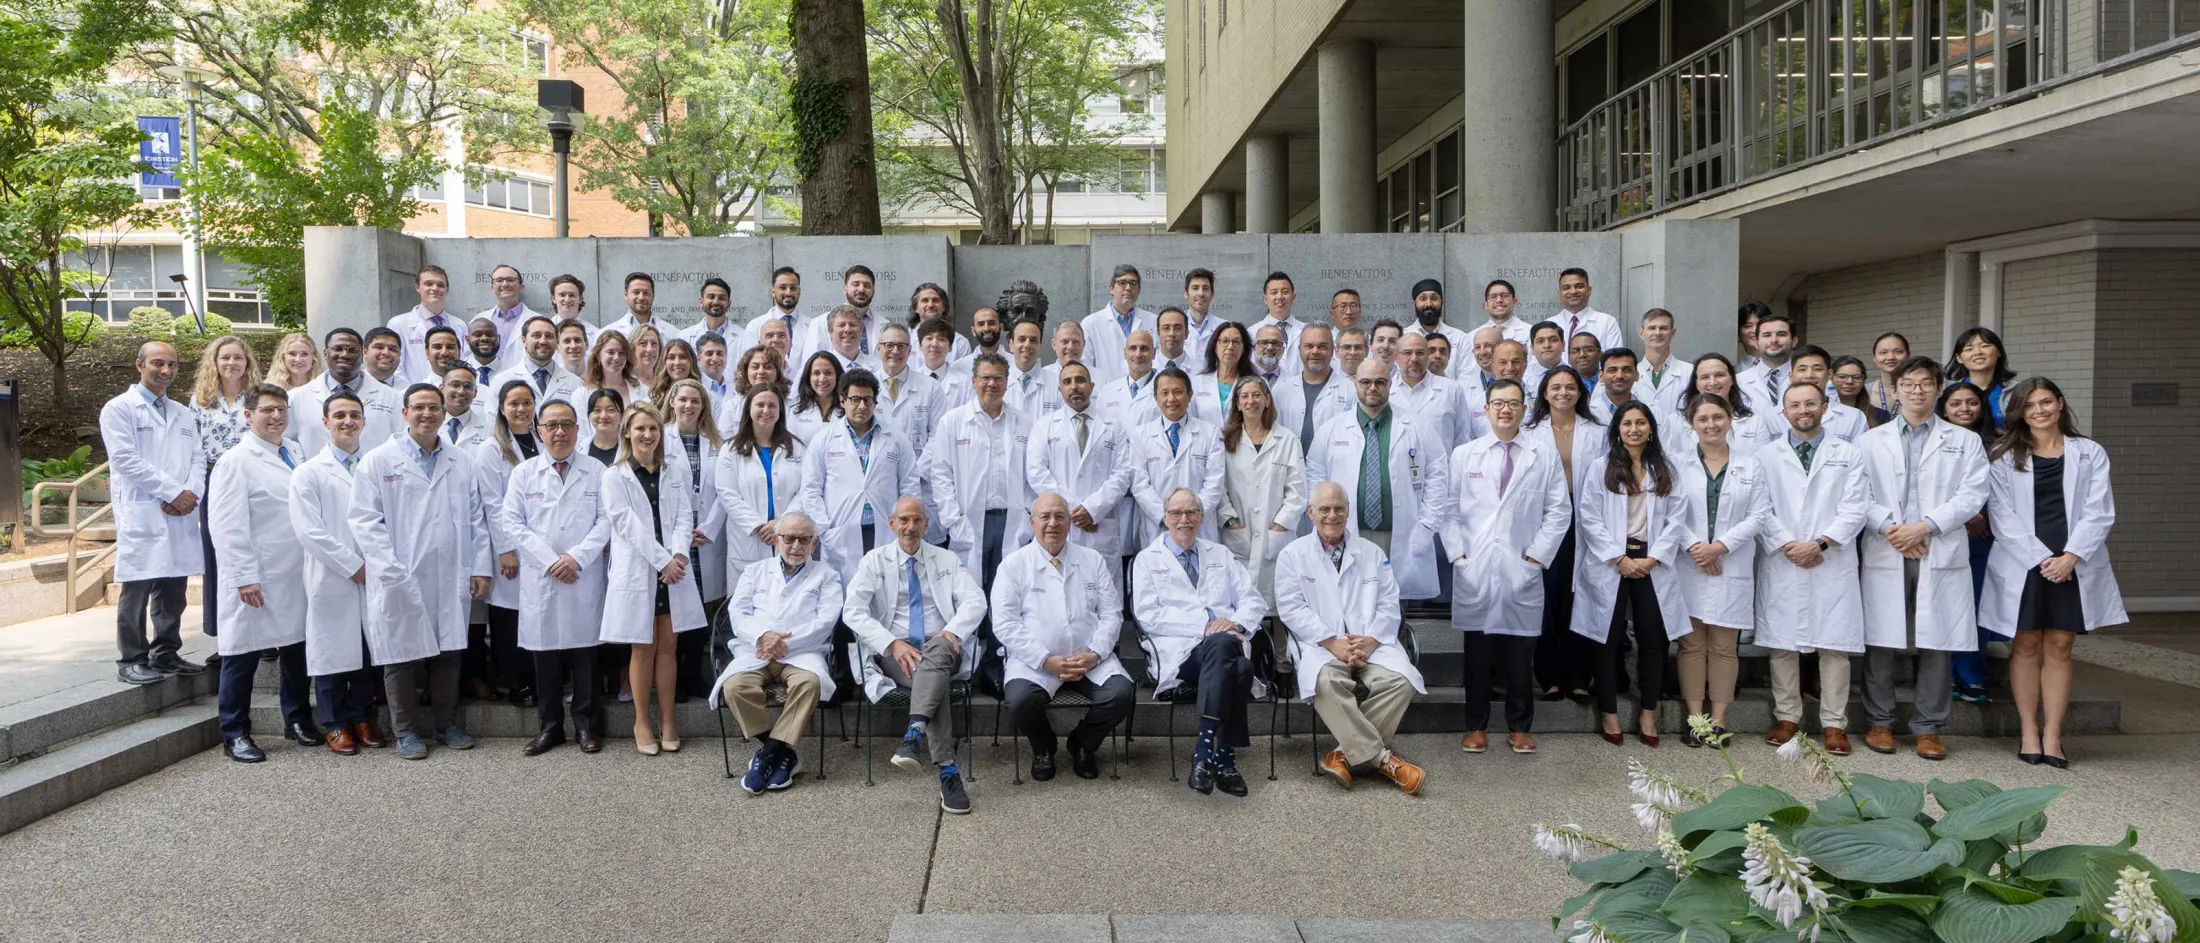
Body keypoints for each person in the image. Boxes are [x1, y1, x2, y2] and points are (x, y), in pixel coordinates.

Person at [1982, 378, 2126, 769]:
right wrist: (2042, 558)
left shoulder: (2089, 452)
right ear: (2019, 413)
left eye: (2046, 402)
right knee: (2026, 645)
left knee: (2061, 645)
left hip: (2073, 561)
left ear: (2060, 404)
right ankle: (2029, 732)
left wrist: (2070, 557)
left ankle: (2053, 736)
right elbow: (2001, 515)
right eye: (2030, 406)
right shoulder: (2002, 455)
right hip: (2024, 560)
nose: (2039, 411)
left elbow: (2100, 510)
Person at [1855, 356, 1988, 760]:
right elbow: (1856, 493)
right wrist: (1892, 530)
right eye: (1908, 384)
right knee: (1881, 639)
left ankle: (1929, 727)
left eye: (1926, 383)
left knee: (1937, 640)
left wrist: (1925, 527)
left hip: (1936, 546)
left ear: (1938, 389)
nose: (1917, 390)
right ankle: (1879, 722)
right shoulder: (1870, 440)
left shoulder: (1965, 440)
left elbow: (1972, 494)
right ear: (1895, 390)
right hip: (1888, 546)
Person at [350, 383, 493, 760]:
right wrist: (389, 569)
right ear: (405, 413)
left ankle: (447, 725)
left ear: (444, 413)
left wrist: (480, 567)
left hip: (450, 572)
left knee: (449, 652)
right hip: (399, 575)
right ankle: (407, 732)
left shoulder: (460, 461)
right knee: (400, 656)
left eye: (434, 407)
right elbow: (364, 521)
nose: (426, 414)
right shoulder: (379, 461)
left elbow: (477, 519)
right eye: (419, 407)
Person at [1440, 379, 1570, 754]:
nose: (1505, 410)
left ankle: (1519, 726)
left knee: (1520, 653)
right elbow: (1448, 511)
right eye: (1498, 403)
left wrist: (1535, 557)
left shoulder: (1542, 454)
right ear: (1486, 409)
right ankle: (1475, 725)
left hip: (1522, 565)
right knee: (1477, 654)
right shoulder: (1465, 455)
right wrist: (1459, 557)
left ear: (1524, 410)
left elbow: (1559, 511)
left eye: (1513, 403)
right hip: (1476, 567)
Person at [1274, 482, 1425, 794]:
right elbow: (1291, 608)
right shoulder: (1292, 555)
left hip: (1370, 644)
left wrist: (1370, 640)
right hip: (1321, 645)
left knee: (1401, 680)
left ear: (1348, 511)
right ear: (1310, 513)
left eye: (1338, 508)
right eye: (1324, 509)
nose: (1332, 515)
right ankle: (1382, 759)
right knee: (1325, 681)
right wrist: (1332, 642)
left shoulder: (1372, 553)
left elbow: (1388, 603)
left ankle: (1343, 753)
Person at [843, 497, 985, 812]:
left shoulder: (946, 559)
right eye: (904, 520)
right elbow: (852, 611)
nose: (910, 527)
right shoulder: (874, 561)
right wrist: (891, 643)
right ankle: (947, 769)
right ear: (892, 523)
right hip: (897, 652)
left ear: (926, 524)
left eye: (916, 520)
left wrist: (952, 631)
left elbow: (975, 600)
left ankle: (914, 734)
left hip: (943, 644)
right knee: (933, 680)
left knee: (936, 654)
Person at [1755, 379, 1868, 753]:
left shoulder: (1848, 453)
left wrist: (1820, 543)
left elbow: (1856, 507)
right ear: (1784, 412)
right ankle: (1787, 717)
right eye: (1795, 405)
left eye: (1810, 403)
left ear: (1824, 407)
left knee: (1834, 645)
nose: (1803, 410)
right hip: (1783, 557)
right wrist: (1789, 545)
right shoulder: (1766, 456)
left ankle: (1834, 724)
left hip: (1829, 558)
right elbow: (1760, 507)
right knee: (1782, 644)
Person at [1133, 488, 1267, 796]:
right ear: (1165, 517)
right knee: (1241, 668)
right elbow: (1147, 615)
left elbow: (1252, 599)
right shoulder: (1147, 560)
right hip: (1180, 655)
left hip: (1224, 645)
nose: (1184, 519)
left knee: (1227, 652)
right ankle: (1223, 758)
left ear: (1202, 517)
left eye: (1191, 512)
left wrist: (1234, 623)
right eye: (1177, 513)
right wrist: (1205, 628)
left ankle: (1205, 755)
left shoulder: (1220, 554)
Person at [1572, 400, 1690, 747]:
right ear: (1617, 430)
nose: (1634, 429)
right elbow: (1589, 516)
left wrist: (1654, 558)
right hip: (1612, 561)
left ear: (1651, 429)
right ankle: (1608, 710)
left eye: (1640, 423)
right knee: (1606, 639)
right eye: (1627, 423)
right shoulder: (1601, 467)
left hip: (1652, 562)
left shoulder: (1666, 468)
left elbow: (1676, 518)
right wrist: (1617, 557)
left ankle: (1648, 712)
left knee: (1653, 639)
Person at [209, 384, 318, 761]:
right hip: (258, 573)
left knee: (296, 649)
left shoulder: (294, 451)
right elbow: (226, 525)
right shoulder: (235, 461)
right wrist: (243, 575)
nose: (276, 416)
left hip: (295, 569)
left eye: (282, 409)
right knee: (242, 654)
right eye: (267, 410)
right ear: (248, 415)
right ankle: (235, 732)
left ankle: (297, 719)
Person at [993, 493, 1133, 782]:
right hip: (1037, 662)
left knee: (1121, 694)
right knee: (1019, 701)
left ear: (1070, 523)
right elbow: (1005, 624)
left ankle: (1082, 744)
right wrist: (1045, 660)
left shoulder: (1092, 560)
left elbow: (1112, 614)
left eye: (1060, 516)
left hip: (1089, 659)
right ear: (1032, 522)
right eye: (1045, 517)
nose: (1052, 523)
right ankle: (1044, 748)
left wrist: (1095, 654)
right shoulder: (1013, 565)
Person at [501, 399, 610, 756]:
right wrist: (550, 561)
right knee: (544, 657)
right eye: (552, 425)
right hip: (542, 576)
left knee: (585, 657)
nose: (560, 432)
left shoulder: (597, 471)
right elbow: (512, 522)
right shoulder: (524, 473)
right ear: (539, 431)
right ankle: (550, 727)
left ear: (578, 430)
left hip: (582, 575)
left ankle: (587, 726)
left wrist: (576, 558)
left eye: (567, 425)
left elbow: (607, 521)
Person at [600, 403, 707, 754]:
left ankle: (668, 721)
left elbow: (683, 518)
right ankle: (642, 722)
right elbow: (626, 524)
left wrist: (678, 555)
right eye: (640, 428)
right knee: (643, 647)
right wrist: (664, 561)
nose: (647, 435)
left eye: (653, 429)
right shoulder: (614, 476)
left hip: (672, 571)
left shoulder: (672, 472)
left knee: (669, 646)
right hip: (641, 569)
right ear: (627, 433)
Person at [101, 341, 208, 685]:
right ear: (139, 365)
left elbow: (198, 458)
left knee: (173, 589)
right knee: (137, 589)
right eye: (158, 363)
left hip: (179, 511)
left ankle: (165, 652)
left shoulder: (182, 412)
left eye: (172, 365)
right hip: (144, 510)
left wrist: (190, 494)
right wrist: (173, 493)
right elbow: (125, 460)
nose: (166, 370)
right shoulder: (119, 409)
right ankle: (132, 658)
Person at [713, 511, 841, 794]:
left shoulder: (827, 576)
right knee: (734, 687)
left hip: (801, 653)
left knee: (809, 683)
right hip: (755, 650)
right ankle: (783, 754)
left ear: (814, 542)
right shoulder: (754, 571)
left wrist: (784, 644)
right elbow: (738, 612)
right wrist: (762, 637)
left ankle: (767, 755)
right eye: (789, 538)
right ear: (777, 540)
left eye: (804, 539)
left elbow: (825, 621)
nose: (796, 545)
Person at [1305, 358, 1449, 605]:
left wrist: (1427, 523)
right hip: (1347, 529)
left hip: (1399, 531)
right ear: (1355, 384)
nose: (1372, 387)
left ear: (1390, 384)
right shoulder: (1332, 429)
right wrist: (1323, 518)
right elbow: (1315, 475)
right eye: (1366, 382)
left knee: (1394, 601)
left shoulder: (1417, 426)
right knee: (1349, 599)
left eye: (1380, 382)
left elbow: (1438, 474)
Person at [1671, 394, 1768, 747]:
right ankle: (1695, 720)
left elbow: (1759, 515)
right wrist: (1697, 548)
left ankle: (1720, 721)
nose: (1711, 424)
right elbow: (1668, 512)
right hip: (1690, 563)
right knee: (1692, 645)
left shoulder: (1751, 466)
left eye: (1718, 417)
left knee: (1725, 647)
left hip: (1731, 563)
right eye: (1703, 419)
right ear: (1691, 423)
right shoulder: (1676, 464)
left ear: (1729, 419)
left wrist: (1720, 547)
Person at [289, 392, 383, 754]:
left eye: (354, 415)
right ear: (325, 422)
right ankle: (335, 724)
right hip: (332, 574)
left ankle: (362, 718)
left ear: (364, 421)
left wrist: (376, 562)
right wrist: (354, 565)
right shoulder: (309, 472)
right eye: (340, 415)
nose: (348, 421)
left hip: (373, 571)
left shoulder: (375, 466)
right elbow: (309, 531)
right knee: (329, 651)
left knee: (366, 649)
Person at [1522, 366, 1605, 705]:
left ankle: (1579, 678)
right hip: (1545, 521)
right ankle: (1550, 677)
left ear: (1580, 392)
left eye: (1570, 387)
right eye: (1555, 387)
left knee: (1580, 594)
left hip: (1585, 521)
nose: (1563, 393)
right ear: (1544, 393)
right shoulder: (1529, 432)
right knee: (1546, 595)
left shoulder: (1597, 432)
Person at [799, 368, 920, 580]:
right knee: (844, 590)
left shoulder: (896, 439)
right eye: (855, 399)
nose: (862, 406)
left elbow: (910, 486)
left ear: (875, 402)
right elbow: (810, 489)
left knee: (885, 586)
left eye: (867, 400)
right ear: (842, 401)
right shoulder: (823, 439)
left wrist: (904, 524)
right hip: (840, 531)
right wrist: (824, 528)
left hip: (884, 527)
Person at [932, 354, 1032, 588]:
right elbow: (941, 474)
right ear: (973, 381)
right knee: (970, 591)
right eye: (985, 378)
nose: (991, 384)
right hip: (969, 519)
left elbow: (1032, 474)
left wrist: (1028, 515)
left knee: (1007, 590)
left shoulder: (1024, 422)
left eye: (998, 378)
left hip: (1011, 520)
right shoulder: (952, 421)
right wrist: (953, 519)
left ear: (1007, 383)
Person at [474, 379, 542, 706]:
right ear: (502, 408)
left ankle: (538, 681)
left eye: (527, 402)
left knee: (536, 615)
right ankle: (515, 684)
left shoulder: (541, 439)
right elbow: (492, 503)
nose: (521, 409)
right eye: (513, 403)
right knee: (509, 618)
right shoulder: (492, 448)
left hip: (539, 545)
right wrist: (505, 550)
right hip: (510, 548)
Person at [191, 335, 260, 651]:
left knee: (256, 551)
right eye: (225, 358)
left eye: (238, 357)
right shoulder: (200, 400)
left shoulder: (258, 397)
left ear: (248, 363)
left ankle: (265, 634)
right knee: (216, 554)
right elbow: (192, 448)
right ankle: (221, 634)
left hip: (254, 481)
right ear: (215, 363)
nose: (232, 363)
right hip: (213, 482)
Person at [1026, 360, 1134, 557]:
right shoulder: (1044, 426)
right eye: (1067, 382)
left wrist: (1092, 509)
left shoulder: (1113, 426)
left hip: (1100, 524)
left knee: (1100, 575)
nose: (1074, 386)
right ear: (1060, 389)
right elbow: (1036, 473)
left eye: (1080, 380)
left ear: (1092, 386)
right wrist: (1073, 510)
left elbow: (1122, 474)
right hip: (1060, 522)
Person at [662, 378, 728, 700]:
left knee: (701, 607)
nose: (689, 406)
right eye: (683, 399)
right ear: (672, 402)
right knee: (678, 607)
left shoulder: (717, 442)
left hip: (705, 536)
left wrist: (708, 529)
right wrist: (680, 533)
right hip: (675, 536)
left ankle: (692, 675)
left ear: (703, 407)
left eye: (696, 401)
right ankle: (674, 678)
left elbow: (727, 490)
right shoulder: (660, 439)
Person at [1216, 375, 1306, 606]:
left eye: (1256, 395)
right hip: (1239, 533)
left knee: (1281, 604)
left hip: (1275, 534)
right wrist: (1229, 520)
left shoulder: (1287, 440)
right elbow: (1218, 486)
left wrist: (1281, 524)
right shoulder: (1225, 440)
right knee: (1239, 602)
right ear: (1237, 403)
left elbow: (1297, 490)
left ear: (1267, 400)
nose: (1251, 401)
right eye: (1244, 396)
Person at [1939, 382, 1999, 703]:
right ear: (1944, 408)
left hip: (1985, 536)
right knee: (1946, 606)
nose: (1964, 408)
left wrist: (1983, 517)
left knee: (1977, 606)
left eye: (1972, 402)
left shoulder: (2000, 444)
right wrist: (1963, 515)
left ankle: (1971, 674)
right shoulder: (1934, 441)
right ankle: (1945, 675)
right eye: (1956, 403)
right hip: (1944, 531)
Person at [716, 386, 806, 592]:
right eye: (760, 405)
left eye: (772, 405)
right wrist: (758, 526)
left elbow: (805, 490)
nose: (766, 410)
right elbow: (727, 494)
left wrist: (782, 523)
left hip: (787, 535)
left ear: (780, 410)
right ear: (749, 408)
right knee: (746, 601)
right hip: (748, 540)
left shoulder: (798, 448)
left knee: (787, 599)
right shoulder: (731, 450)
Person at [1131, 368, 1226, 549]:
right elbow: (1139, 485)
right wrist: (1166, 517)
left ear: (1190, 395)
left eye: (1178, 392)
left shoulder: (1210, 433)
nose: (1171, 399)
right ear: (1156, 397)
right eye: (1164, 393)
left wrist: (1192, 516)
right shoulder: (1141, 435)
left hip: (1199, 528)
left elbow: (1214, 483)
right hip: (1158, 527)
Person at [290, 328, 400, 460]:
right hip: (317, 472)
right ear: (325, 353)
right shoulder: (295, 398)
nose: (344, 355)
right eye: (338, 349)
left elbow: (400, 446)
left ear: (362, 354)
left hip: (374, 472)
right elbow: (287, 445)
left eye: (352, 350)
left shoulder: (393, 398)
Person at [1273, 323, 1351, 456]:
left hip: (1333, 466)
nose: (1315, 351)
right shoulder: (1280, 391)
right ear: (1299, 350)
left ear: (1333, 350)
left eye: (1322, 346)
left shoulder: (1350, 390)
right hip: (1290, 465)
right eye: (1309, 346)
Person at [1684, 353, 1781, 456]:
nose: (1712, 382)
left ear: (1732, 380)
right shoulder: (1678, 422)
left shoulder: (1753, 422)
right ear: (1696, 383)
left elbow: (1764, 460)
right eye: (1705, 377)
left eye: (1719, 375)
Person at [1389, 331, 1474, 449]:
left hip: (1443, 461)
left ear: (1428, 356)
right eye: (1407, 353)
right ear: (1396, 357)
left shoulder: (1451, 389)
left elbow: (1463, 439)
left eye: (1420, 353)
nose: (1414, 359)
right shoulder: (1386, 390)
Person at [873, 322, 946, 455]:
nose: (895, 351)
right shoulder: (865, 386)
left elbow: (938, 435)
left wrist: (918, 467)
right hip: (877, 465)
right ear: (879, 348)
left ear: (909, 350)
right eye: (889, 345)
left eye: (901, 346)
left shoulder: (931, 387)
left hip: (920, 465)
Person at [1081, 263, 1154, 384]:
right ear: (1111, 289)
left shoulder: (1153, 321)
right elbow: (1086, 366)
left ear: (1139, 290)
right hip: (1105, 390)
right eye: (1122, 282)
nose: (1128, 287)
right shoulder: (1090, 324)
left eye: (1133, 283)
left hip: (1146, 389)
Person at [492, 315, 584, 408]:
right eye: (536, 335)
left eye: (549, 336)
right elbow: (493, 416)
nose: (543, 341)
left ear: (556, 342)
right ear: (524, 341)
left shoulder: (575, 383)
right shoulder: (502, 381)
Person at [388, 265, 457, 382]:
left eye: (440, 285)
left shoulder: (459, 325)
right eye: (429, 284)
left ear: (447, 289)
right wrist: (413, 391)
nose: (435, 288)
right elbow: (395, 368)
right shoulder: (398, 324)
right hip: (413, 390)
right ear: (417, 287)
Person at [798, 266, 881, 362]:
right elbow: (810, 365)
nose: (861, 289)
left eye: (867, 285)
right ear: (845, 289)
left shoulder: (884, 325)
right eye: (856, 284)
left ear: (873, 291)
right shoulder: (820, 323)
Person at [1785, 345, 1866, 442]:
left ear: (1829, 374)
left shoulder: (1854, 416)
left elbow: (1860, 451)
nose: (1809, 375)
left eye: (1817, 369)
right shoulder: (1772, 417)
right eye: (1802, 369)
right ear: (1791, 375)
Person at [1946, 326, 2018, 431]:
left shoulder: (2016, 391)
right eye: (1969, 349)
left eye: (1985, 346)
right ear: (1959, 358)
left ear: (1999, 352)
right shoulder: (1947, 391)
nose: (1977, 352)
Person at [1092, 328, 1162, 431]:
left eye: (1144, 348)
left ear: (1154, 353)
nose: (1138, 354)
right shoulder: (1107, 392)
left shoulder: (1166, 389)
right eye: (1133, 348)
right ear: (1125, 353)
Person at [1189, 320, 1254, 424]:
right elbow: (1190, 420)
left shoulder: (1256, 383)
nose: (1230, 347)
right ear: (1215, 346)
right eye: (1224, 341)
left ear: (1244, 349)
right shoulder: (1198, 382)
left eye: (1236, 342)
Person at [1734, 314, 1797, 417]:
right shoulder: (1739, 382)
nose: (1774, 340)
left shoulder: (1808, 378)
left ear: (1794, 341)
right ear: (1756, 342)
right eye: (1767, 335)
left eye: (1781, 334)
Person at [574, 329, 647, 416]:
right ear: (598, 356)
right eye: (611, 352)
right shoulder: (582, 395)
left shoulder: (641, 390)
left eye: (621, 353)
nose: (616, 357)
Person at [1250, 271, 1309, 378]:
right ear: (1265, 299)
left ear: (1293, 297)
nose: (1280, 297)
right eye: (1274, 292)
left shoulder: (1307, 331)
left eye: (1285, 292)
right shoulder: (1251, 332)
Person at [1637, 308, 1692, 414]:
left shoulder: (1690, 372)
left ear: (1673, 333)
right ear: (1641, 333)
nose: (1657, 333)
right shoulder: (1630, 374)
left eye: (1663, 328)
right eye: (1652, 328)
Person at [1404, 278, 1471, 365]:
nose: (1429, 304)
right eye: (1423, 298)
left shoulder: (1459, 338)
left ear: (1442, 303)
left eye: (1434, 298)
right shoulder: (1403, 337)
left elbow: (1466, 372)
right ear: (1414, 304)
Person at [678, 277, 752, 355]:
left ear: (729, 304)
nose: (716, 302)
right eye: (711, 297)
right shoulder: (684, 337)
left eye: (721, 298)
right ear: (701, 302)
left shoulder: (745, 338)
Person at [1554, 268, 1622, 352]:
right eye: (1566, 288)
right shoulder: (1550, 324)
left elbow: (1615, 358)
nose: (1573, 291)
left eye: (1579, 286)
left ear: (1589, 290)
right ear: (1559, 294)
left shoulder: (1608, 322)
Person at [743, 266, 804, 359]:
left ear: (799, 291)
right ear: (773, 292)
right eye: (783, 288)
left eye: (793, 288)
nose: (788, 293)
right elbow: (749, 362)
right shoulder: (754, 326)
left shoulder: (812, 326)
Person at [789, 350, 846, 445]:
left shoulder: (848, 409)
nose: (822, 379)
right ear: (809, 378)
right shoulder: (796, 412)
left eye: (828, 373)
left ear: (837, 376)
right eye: (816, 373)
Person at [1003, 317, 1055, 420]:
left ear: (1040, 346)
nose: (1027, 344)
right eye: (1022, 339)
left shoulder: (1056, 383)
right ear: (1011, 344)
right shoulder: (997, 383)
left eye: (1033, 340)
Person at [437, 364, 495, 449]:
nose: (461, 391)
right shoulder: (429, 424)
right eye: (455, 385)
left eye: (467, 386)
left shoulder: (489, 431)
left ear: (475, 393)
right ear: (441, 389)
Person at [1178, 269, 1224, 374]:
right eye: (1195, 288)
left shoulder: (1224, 328)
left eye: (1205, 288)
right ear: (1186, 293)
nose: (1201, 293)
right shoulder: (1174, 327)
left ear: (1212, 294)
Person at [601, 271, 663, 341]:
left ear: (653, 296)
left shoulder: (671, 332)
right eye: (636, 292)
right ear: (625, 294)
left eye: (646, 293)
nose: (641, 297)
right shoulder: (606, 333)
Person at [549, 273, 600, 351]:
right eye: (562, 295)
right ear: (553, 299)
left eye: (572, 295)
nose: (567, 299)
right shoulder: (544, 331)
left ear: (580, 299)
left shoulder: (595, 334)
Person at [1868, 332, 1909, 424]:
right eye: (1883, 353)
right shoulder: (1864, 391)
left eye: (1898, 352)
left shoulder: (1923, 391)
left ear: (1908, 355)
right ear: (1874, 358)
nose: (1890, 357)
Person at [1477, 279, 1533, 345]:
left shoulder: (1530, 333)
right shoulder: (1472, 336)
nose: (1499, 300)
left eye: (1504, 296)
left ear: (1515, 301)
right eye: (1493, 297)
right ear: (1485, 304)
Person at [1831, 356, 1876, 427]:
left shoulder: (1879, 414)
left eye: (1856, 377)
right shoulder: (1821, 412)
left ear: (1863, 381)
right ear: (1831, 378)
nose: (1849, 381)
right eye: (1842, 377)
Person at [1154, 307, 1196, 376]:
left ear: (1186, 333)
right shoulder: (1147, 367)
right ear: (1158, 333)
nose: (1171, 333)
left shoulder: (1200, 369)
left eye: (1177, 328)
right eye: (1166, 328)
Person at [1526, 321, 1565, 395]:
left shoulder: (1575, 374)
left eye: (1553, 340)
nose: (1547, 345)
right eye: (1540, 341)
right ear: (1532, 348)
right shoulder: (1524, 376)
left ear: (1563, 345)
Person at [1735, 301, 1769, 372]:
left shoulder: (1790, 367)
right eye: (1748, 326)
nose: (1755, 330)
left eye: (1760, 325)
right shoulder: (1733, 371)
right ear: (1738, 332)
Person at [632, 323, 667, 389]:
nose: (649, 349)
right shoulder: (624, 381)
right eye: (643, 343)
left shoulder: (665, 384)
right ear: (633, 348)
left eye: (654, 344)